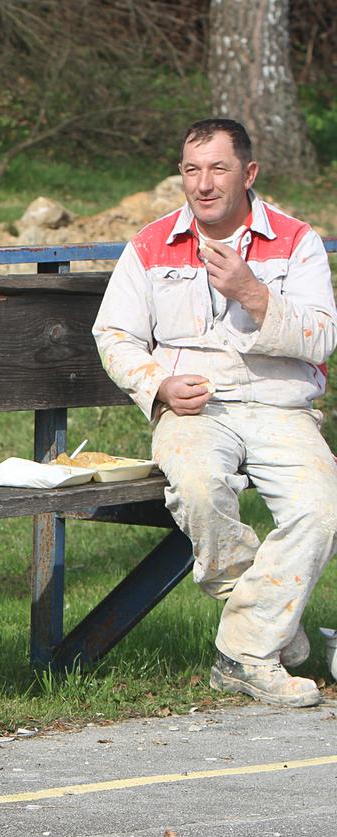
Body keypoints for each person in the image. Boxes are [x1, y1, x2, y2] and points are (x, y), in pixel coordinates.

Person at [94, 118, 337, 707]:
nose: (202, 185)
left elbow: (323, 338)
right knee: (199, 487)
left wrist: (255, 293)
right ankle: (265, 639)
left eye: (218, 169)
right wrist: (158, 385)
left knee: (321, 508)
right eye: (191, 170)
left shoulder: (296, 240)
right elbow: (115, 335)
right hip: (195, 410)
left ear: (248, 173)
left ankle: (242, 649)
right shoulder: (151, 245)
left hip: (281, 406)